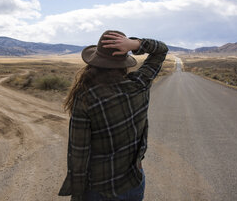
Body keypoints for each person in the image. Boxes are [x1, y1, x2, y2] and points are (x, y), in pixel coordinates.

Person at [58, 30, 169, 200]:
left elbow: (79, 152)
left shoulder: (87, 96)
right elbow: (161, 50)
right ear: (123, 62)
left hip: (100, 187)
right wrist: (135, 44)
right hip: (134, 182)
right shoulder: (139, 84)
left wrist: (78, 195)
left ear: (95, 62)